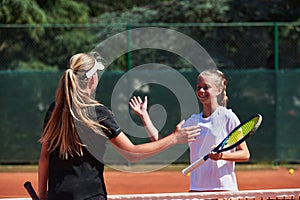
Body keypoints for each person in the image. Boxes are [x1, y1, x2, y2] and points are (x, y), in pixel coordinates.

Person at [38, 53, 200, 200]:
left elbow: (45, 156)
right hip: (91, 196)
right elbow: (132, 153)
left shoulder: (55, 109)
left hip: (56, 196)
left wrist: (41, 194)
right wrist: (174, 138)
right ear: (93, 79)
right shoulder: (98, 113)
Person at [130, 69, 250, 192]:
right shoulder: (193, 121)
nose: (201, 91)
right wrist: (144, 117)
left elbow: (245, 154)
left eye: (206, 87)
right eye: (198, 87)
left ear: (219, 90)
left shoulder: (228, 117)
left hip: (223, 189)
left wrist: (221, 156)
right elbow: (160, 141)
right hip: (196, 190)